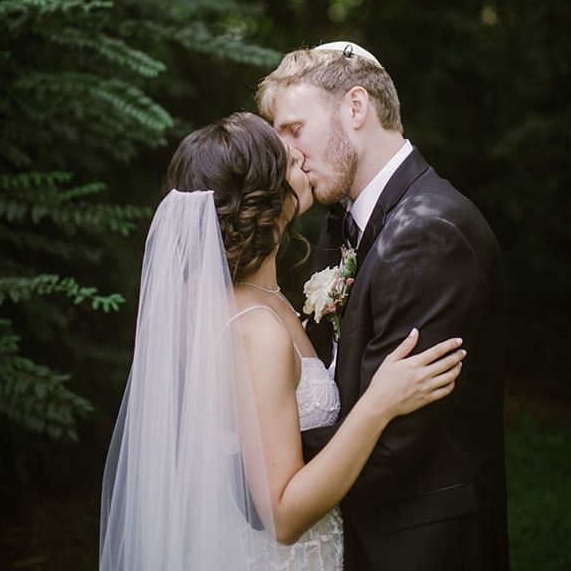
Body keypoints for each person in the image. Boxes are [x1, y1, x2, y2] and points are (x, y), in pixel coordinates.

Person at [99, 111, 465, 571]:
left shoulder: (222, 300)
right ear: (267, 200)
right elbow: (282, 514)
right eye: (291, 161)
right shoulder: (256, 330)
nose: (305, 159)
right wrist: (380, 403)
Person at [257, 42, 509, 571]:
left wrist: (260, 467)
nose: (288, 155)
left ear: (355, 107)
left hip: (420, 544)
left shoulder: (428, 232)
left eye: (294, 129)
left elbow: (396, 442)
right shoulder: (344, 222)